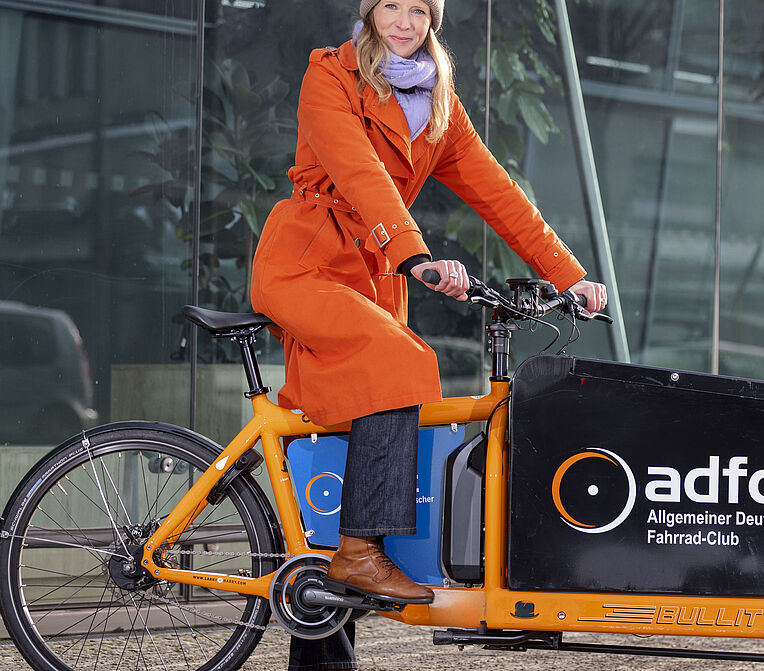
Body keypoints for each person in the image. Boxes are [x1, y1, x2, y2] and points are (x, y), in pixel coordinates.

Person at [250, 0, 606, 668]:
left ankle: (324, 650)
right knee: (404, 361)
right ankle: (359, 554)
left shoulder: (437, 102)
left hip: (368, 282)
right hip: (305, 266)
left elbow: (499, 193)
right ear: (371, 12)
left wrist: (569, 274)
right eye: (391, 5)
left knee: (341, 451)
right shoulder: (332, 75)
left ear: (433, 19)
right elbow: (357, 171)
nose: (405, 20)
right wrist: (414, 254)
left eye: (419, 8)